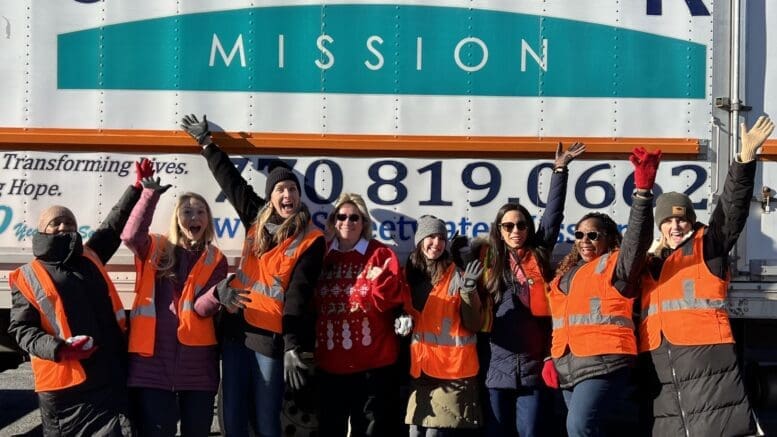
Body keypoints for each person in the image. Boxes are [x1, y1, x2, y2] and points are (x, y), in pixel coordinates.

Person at [181, 114, 325, 437]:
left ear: (299, 196)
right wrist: (207, 144)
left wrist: (291, 346)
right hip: (235, 330)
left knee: (266, 420)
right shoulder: (255, 216)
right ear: (271, 196)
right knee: (231, 416)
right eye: (281, 190)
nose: (287, 196)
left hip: (268, 340)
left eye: (292, 189)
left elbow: (298, 298)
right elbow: (230, 181)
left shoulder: (310, 239)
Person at [638, 116, 774, 436]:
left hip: (710, 373)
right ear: (659, 227)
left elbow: (731, 210)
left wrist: (744, 160)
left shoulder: (708, 247)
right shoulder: (648, 266)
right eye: (668, 222)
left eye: (682, 220)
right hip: (667, 384)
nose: (675, 227)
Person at [7, 160, 149, 436]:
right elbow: (21, 329)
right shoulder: (28, 275)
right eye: (55, 222)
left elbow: (114, 223)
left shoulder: (90, 256)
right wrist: (60, 348)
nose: (63, 226)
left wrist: (136, 188)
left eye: (68, 221)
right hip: (65, 386)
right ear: (42, 230)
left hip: (106, 375)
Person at [546, 147, 661, 436]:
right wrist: (551, 357)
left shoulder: (616, 265)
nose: (585, 240)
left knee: (579, 427)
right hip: (568, 365)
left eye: (593, 235)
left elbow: (637, 240)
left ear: (608, 238)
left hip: (604, 361)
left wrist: (643, 192)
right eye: (580, 234)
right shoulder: (564, 275)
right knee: (584, 429)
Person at [477, 142, 584, 437]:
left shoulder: (538, 255)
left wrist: (560, 170)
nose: (515, 231)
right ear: (499, 230)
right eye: (508, 226)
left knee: (532, 432)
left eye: (521, 225)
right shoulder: (488, 263)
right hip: (496, 368)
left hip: (533, 366)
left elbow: (553, 215)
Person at [121, 170, 227, 437]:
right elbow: (130, 236)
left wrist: (219, 294)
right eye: (188, 212)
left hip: (197, 365)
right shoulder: (156, 246)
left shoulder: (216, 258)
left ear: (208, 220)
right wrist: (149, 196)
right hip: (153, 361)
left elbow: (201, 309)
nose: (194, 217)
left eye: (201, 212)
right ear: (177, 219)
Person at [314, 193, 407, 436]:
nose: (347, 222)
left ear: (364, 222)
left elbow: (390, 299)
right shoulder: (321, 255)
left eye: (354, 217)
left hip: (372, 366)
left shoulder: (380, 254)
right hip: (329, 364)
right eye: (341, 216)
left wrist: (376, 285)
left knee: (369, 431)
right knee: (329, 428)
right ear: (334, 221)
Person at [399, 215, 483, 436]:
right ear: (420, 239)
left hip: (452, 373)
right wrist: (401, 322)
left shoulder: (457, 275)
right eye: (430, 236)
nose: (436, 243)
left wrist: (469, 290)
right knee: (415, 433)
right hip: (421, 371)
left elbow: (474, 323)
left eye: (441, 238)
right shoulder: (410, 274)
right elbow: (406, 315)